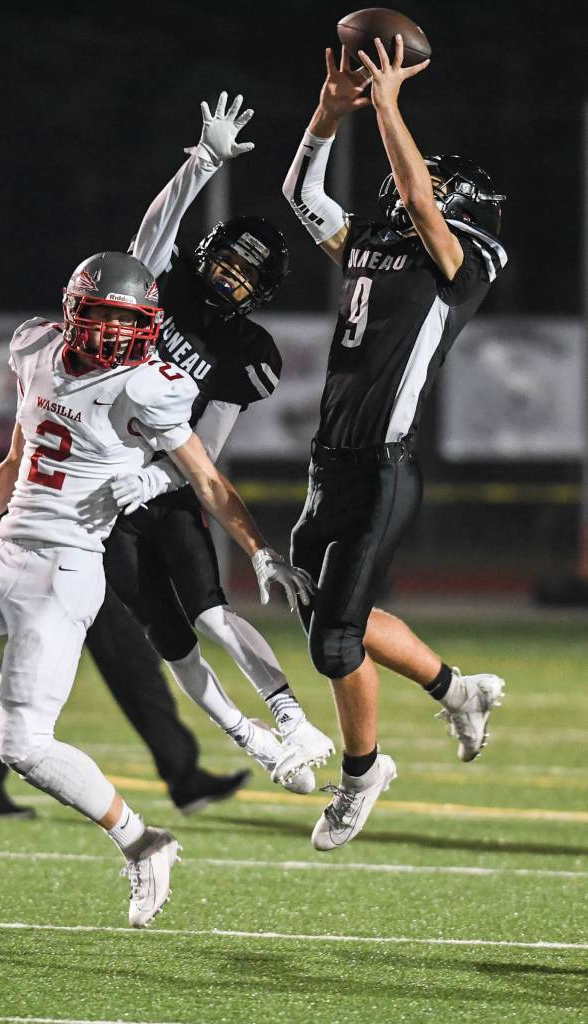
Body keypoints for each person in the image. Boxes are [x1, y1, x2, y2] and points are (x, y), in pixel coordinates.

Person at [0, 251, 311, 928]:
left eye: (127, 323)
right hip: (3, 555)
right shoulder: (35, 348)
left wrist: (260, 549)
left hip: (66, 577)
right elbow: (17, 462)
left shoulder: (152, 385)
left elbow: (209, 481)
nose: (112, 337)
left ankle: (143, 840)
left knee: (23, 745)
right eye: (101, 319)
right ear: (72, 313)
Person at [281, 38, 508, 850]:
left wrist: (387, 103)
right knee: (329, 608)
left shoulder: (467, 259)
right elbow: (301, 193)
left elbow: (419, 201)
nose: (427, 190)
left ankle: (362, 771)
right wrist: (327, 115)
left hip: (385, 465)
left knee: (333, 639)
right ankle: (456, 689)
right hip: (330, 459)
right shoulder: (377, 243)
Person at [99, 92, 337, 792]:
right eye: (228, 262)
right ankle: (255, 742)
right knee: (170, 640)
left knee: (210, 612)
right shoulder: (157, 286)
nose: (231, 278)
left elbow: (206, 457)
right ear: (207, 254)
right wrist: (202, 162)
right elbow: (152, 231)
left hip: (165, 481)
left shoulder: (245, 353)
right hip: (98, 482)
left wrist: (255, 546)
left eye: (246, 276)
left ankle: (289, 715)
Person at [0, 588, 250, 819]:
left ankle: (183, 774)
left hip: (95, 560)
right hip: (59, 561)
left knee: (136, 663)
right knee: (30, 663)